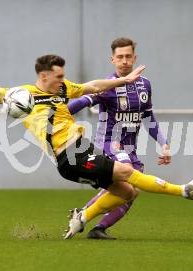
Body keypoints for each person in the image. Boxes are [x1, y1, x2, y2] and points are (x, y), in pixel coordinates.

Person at [0, 48, 193, 240]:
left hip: (81, 148)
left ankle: (82, 217)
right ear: (43, 77)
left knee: (127, 192)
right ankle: (184, 191)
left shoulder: (63, 88)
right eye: (57, 76)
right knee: (127, 173)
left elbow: (92, 86)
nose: (62, 80)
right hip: (69, 155)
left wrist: (123, 80)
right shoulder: (23, 96)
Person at [67, 37, 171, 240]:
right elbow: (81, 102)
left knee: (131, 193)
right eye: (120, 57)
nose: (124, 61)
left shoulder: (145, 85)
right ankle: (84, 216)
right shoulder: (107, 86)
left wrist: (164, 143)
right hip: (108, 144)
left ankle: (97, 228)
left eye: (128, 56)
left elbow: (148, 118)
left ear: (135, 58)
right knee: (129, 180)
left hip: (129, 148)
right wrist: (60, 113)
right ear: (112, 59)